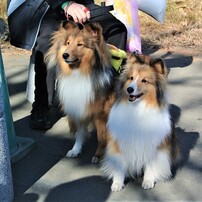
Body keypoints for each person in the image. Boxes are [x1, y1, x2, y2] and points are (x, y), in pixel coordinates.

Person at [7, 0, 127, 130]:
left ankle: (108, 97)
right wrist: (66, 4)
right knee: (46, 42)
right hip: (42, 6)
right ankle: (41, 104)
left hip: (79, 4)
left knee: (117, 30)